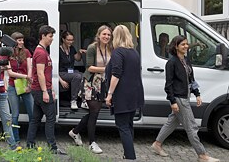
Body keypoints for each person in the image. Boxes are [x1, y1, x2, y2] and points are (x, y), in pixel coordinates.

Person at [151, 35, 219, 162]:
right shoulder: (171, 63)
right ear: (176, 46)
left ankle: (157, 144)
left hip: (186, 95)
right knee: (192, 126)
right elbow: (168, 85)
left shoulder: (186, 60)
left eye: (187, 44)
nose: (186, 46)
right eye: (183, 44)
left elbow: (191, 79)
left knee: (172, 122)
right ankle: (202, 155)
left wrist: (197, 94)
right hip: (179, 98)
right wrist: (172, 101)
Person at [69, 25, 112, 154]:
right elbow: (89, 68)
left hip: (103, 83)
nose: (106, 37)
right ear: (98, 35)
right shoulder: (92, 48)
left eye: (109, 35)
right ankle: (92, 143)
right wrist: (106, 69)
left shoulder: (110, 48)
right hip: (91, 83)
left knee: (95, 112)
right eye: (104, 34)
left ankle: (75, 131)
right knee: (94, 112)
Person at [105, 25, 144, 160]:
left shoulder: (118, 52)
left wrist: (109, 94)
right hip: (134, 94)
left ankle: (130, 156)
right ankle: (128, 153)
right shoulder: (134, 52)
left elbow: (116, 74)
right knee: (128, 125)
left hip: (122, 95)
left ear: (116, 36)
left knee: (122, 126)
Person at [26, 25, 65, 154]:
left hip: (40, 89)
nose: (52, 39)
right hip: (40, 90)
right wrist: (45, 91)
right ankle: (52, 147)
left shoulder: (42, 51)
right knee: (50, 118)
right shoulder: (41, 53)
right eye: (50, 36)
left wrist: (51, 89)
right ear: (43, 36)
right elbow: (41, 73)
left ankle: (30, 144)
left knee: (35, 119)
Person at [7, 32, 33, 145]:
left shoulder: (26, 52)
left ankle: (31, 139)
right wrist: (25, 76)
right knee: (15, 115)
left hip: (26, 85)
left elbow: (30, 67)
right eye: (19, 40)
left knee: (32, 113)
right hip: (13, 86)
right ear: (13, 41)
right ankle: (16, 139)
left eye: (22, 40)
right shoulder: (9, 53)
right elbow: (10, 72)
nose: (21, 42)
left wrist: (29, 83)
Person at [59, 31, 85, 110]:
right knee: (77, 76)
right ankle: (73, 100)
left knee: (84, 75)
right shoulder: (58, 50)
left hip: (71, 72)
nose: (71, 42)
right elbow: (53, 68)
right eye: (68, 40)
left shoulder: (72, 48)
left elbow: (77, 59)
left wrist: (80, 53)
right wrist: (60, 80)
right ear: (63, 39)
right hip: (62, 73)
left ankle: (84, 100)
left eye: (72, 40)